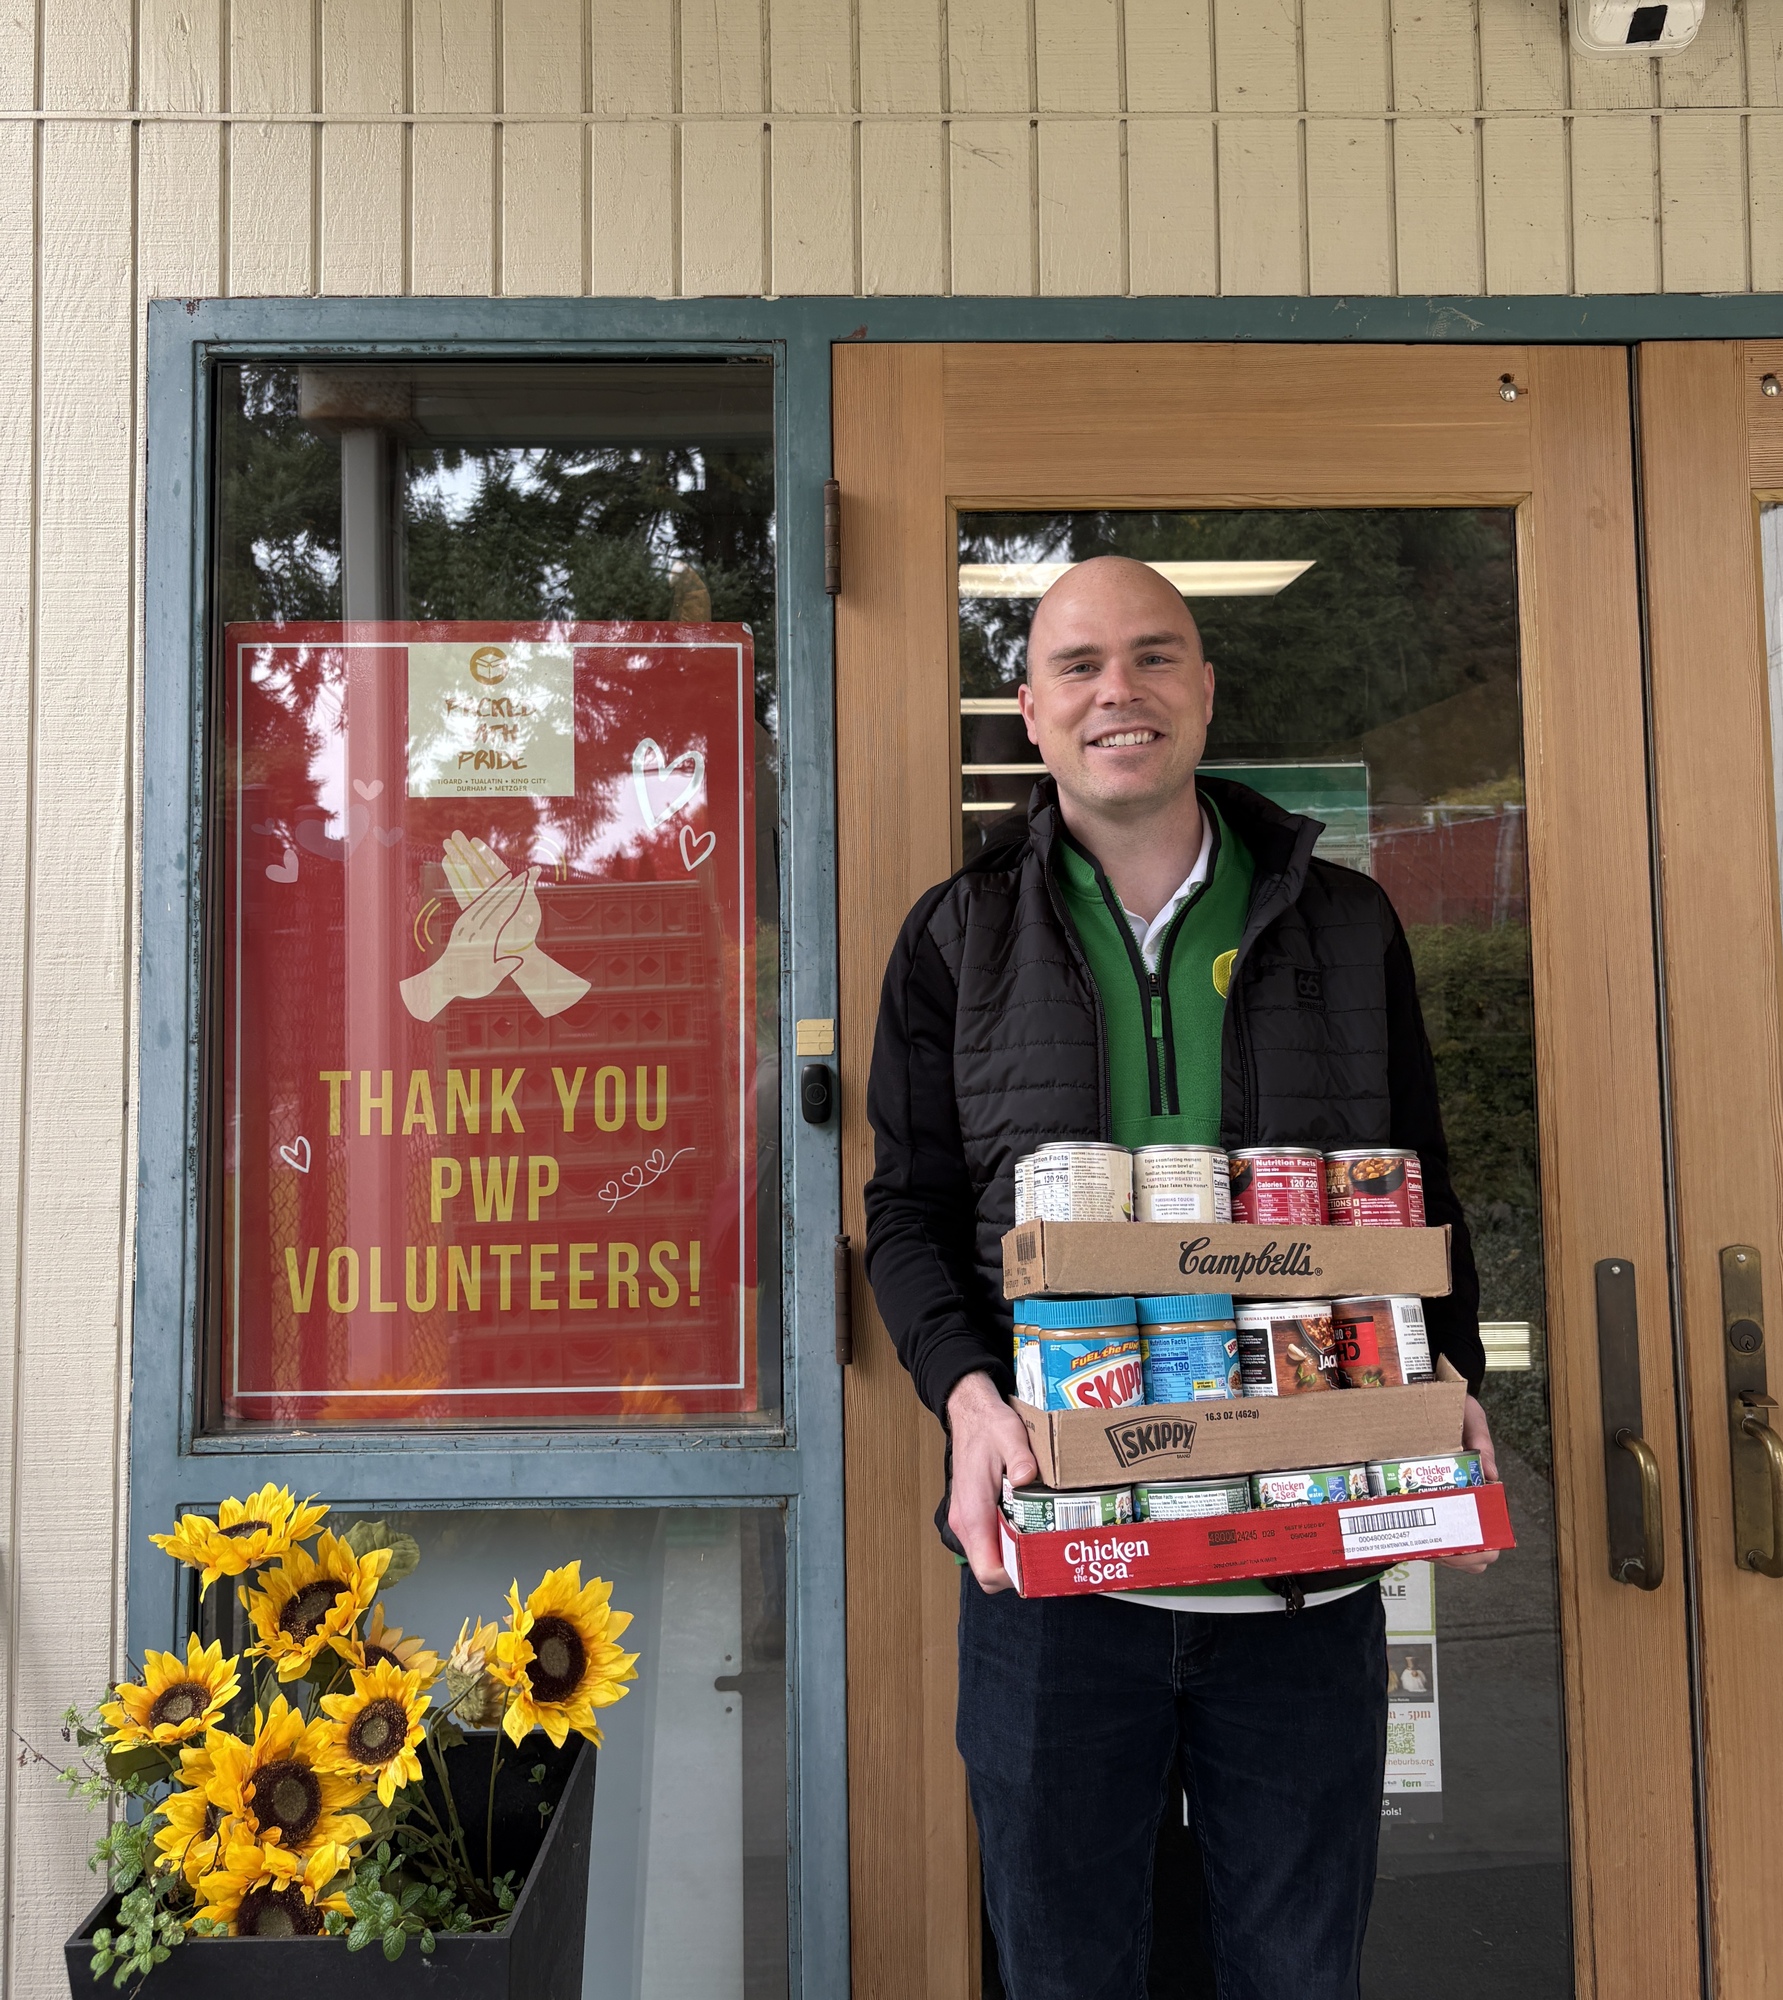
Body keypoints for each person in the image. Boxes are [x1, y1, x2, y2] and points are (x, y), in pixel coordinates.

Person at [863, 556, 1499, 2000]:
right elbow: (904, 1215)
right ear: (1027, 710)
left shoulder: (1347, 926)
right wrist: (965, 1403)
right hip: (1056, 1574)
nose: (1119, 694)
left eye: (1156, 658)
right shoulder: (956, 939)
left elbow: (1418, 1194)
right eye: (1080, 665)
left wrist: (1446, 1373)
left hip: (1303, 1574)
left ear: (1206, 693)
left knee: (1295, 1968)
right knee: (1070, 1970)